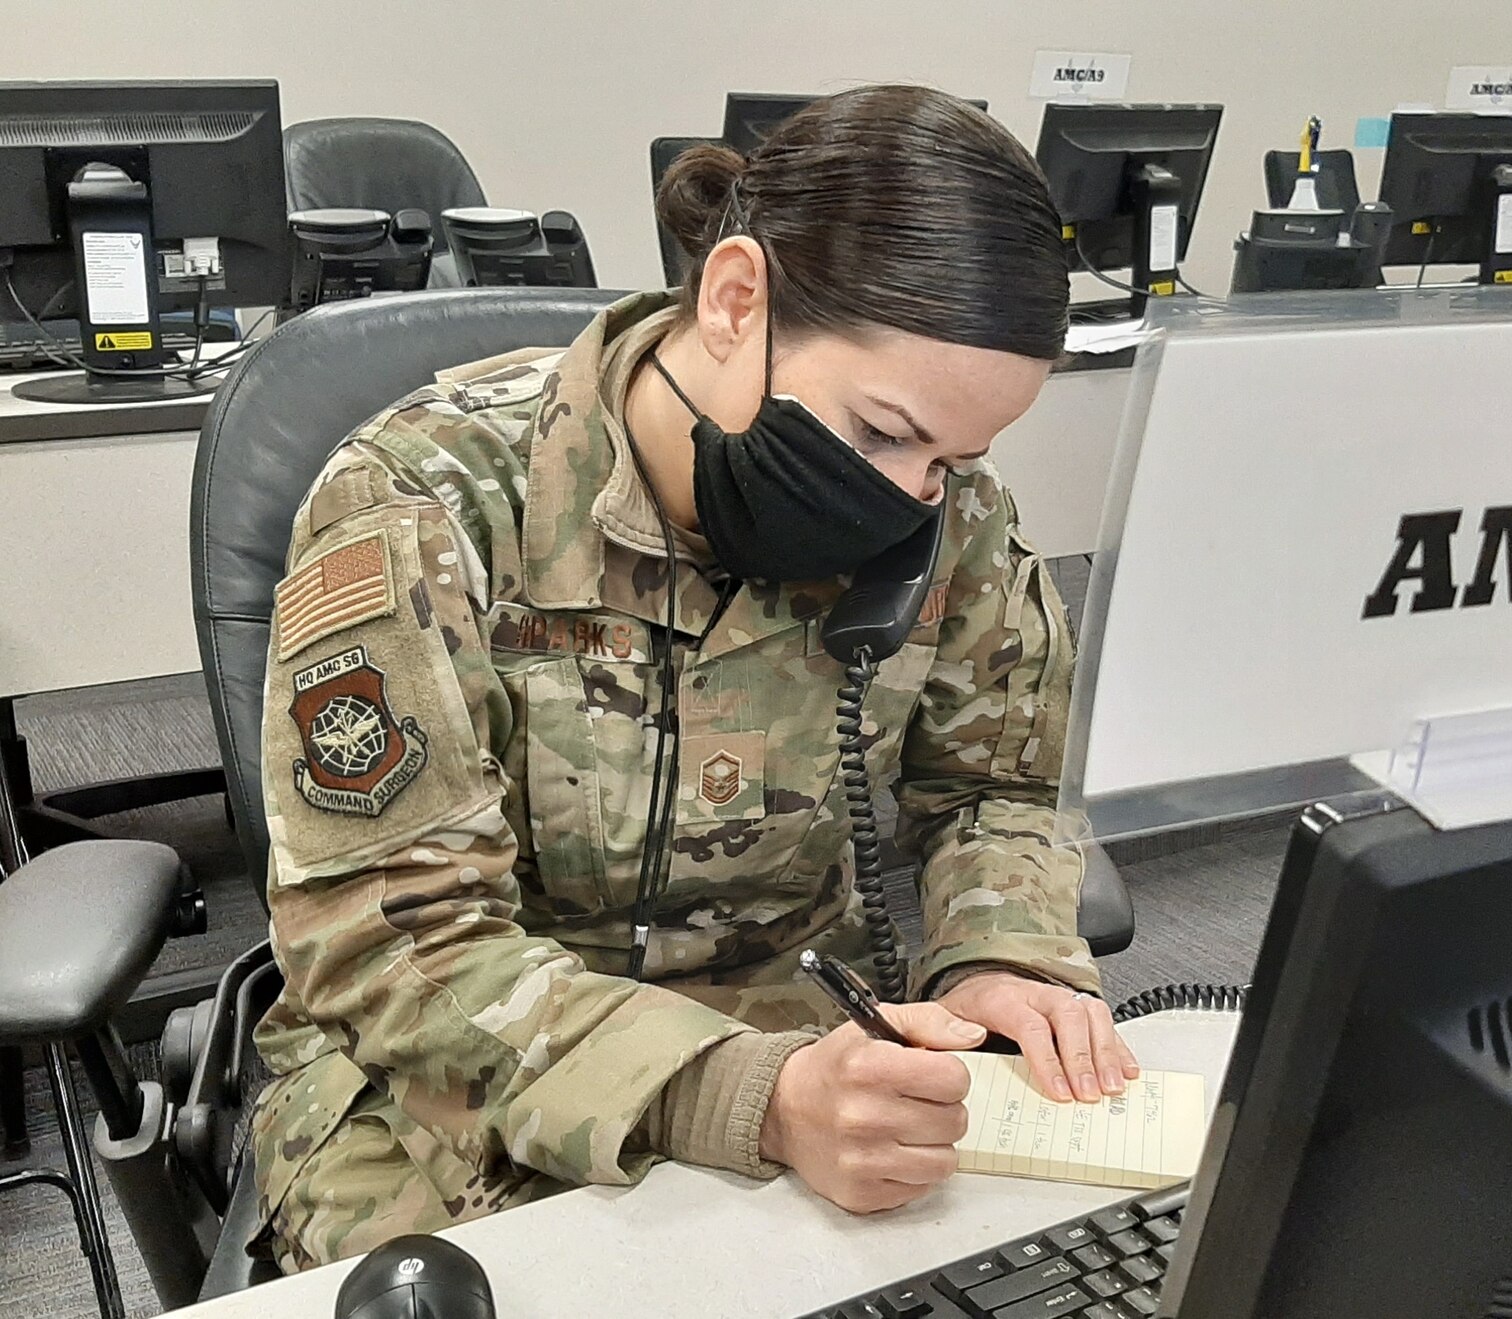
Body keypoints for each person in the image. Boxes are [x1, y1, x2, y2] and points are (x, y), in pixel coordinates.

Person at [246, 84, 1137, 1272]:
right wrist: (742, 1095)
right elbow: (392, 942)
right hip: (441, 1077)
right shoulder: (428, 503)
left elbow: (1000, 787)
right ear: (733, 298)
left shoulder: (946, 517)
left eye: (953, 456)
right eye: (878, 432)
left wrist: (998, 953)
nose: (914, 496)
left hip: (812, 1037)